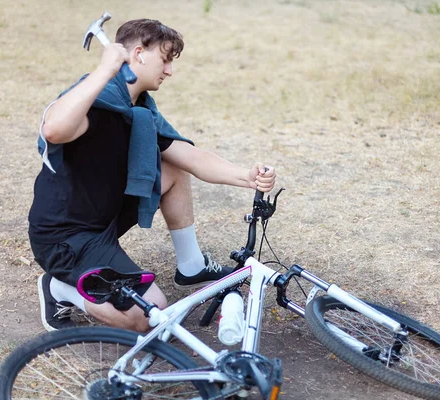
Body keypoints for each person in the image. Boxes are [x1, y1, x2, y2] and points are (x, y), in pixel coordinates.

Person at [28, 19, 276, 333]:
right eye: (166, 59)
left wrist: (247, 176)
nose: (169, 70)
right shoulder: (95, 101)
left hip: (102, 221)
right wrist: (104, 70)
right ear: (138, 54)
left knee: (171, 166)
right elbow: (54, 129)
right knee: (151, 316)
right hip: (66, 238)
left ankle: (191, 265)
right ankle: (58, 289)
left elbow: (192, 158)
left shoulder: (141, 110)